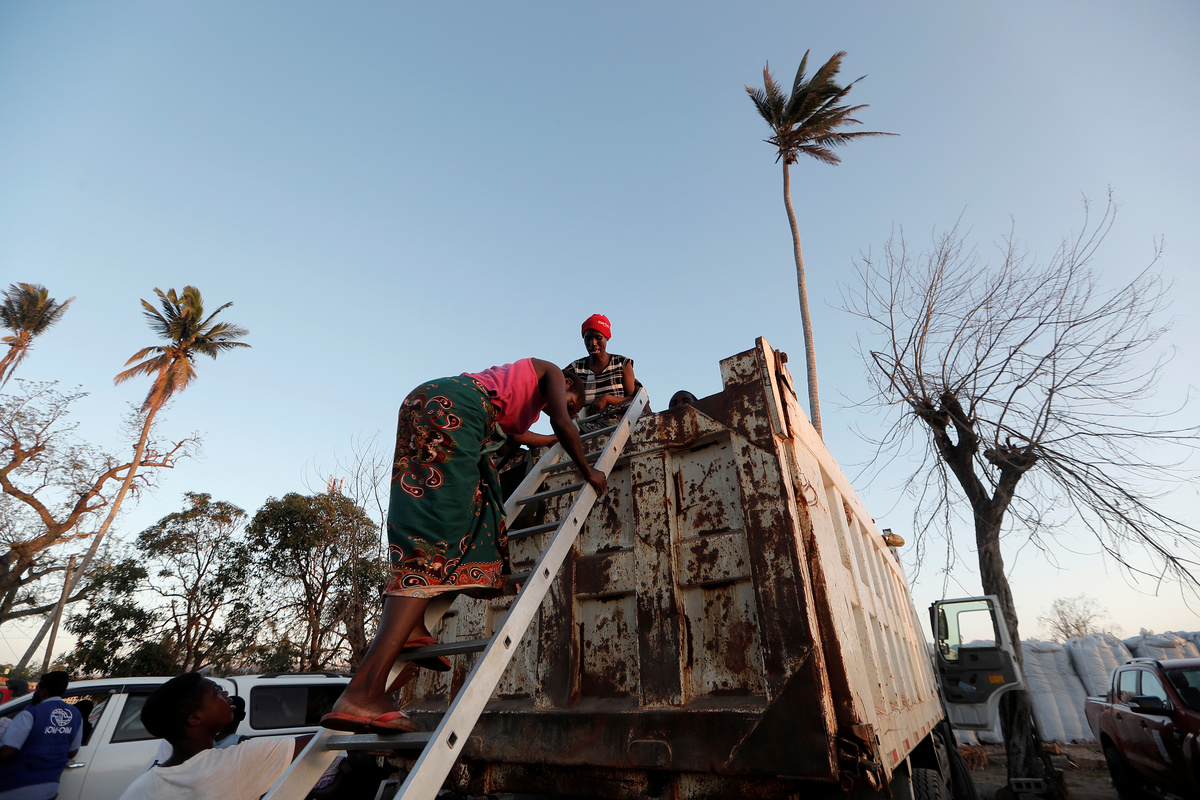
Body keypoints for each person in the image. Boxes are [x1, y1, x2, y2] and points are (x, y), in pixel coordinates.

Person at [322, 357, 604, 733]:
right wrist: (588, 469)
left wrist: (552, 440)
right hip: (458, 410)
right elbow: (561, 424)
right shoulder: (550, 370)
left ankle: (413, 626)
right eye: (570, 402)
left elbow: (520, 437)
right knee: (438, 538)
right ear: (566, 383)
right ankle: (363, 692)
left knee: (444, 515)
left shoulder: (516, 402)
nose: (563, 409)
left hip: (425, 403)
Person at [120, 673, 309, 800]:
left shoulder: (141, 788)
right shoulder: (234, 763)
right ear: (195, 718)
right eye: (216, 691)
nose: (226, 694)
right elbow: (317, 745)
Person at [0, 671, 82, 800]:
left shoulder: (30, 713)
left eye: (37, 688)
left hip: (17, 784)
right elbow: (72, 752)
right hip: (50, 786)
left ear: (43, 691)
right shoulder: (75, 714)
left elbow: (8, 751)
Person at [570, 314, 638, 415]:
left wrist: (607, 398)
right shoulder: (576, 368)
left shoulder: (621, 363)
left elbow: (634, 399)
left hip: (618, 422)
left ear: (607, 338)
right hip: (585, 424)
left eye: (598, 338)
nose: (593, 343)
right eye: (588, 339)